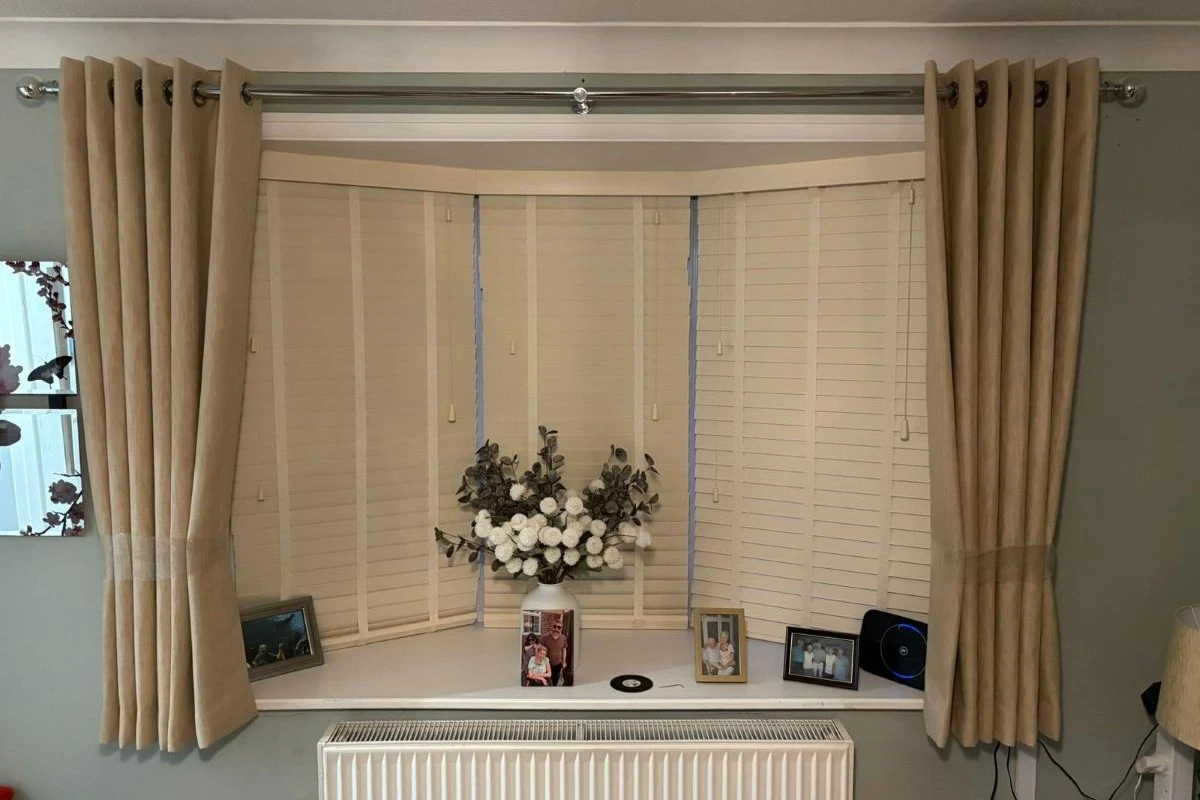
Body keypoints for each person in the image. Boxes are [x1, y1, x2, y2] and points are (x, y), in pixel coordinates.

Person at [539, 620, 570, 686]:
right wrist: (539, 660)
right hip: (547, 663)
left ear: (561, 629)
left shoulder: (563, 638)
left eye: (559, 627)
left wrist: (564, 662)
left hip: (558, 664)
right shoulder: (545, 637)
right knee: (547, 681)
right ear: (552, 627)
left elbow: (564, 650)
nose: (556, 629)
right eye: (554, 626)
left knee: (555, 680)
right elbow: (539, 648)